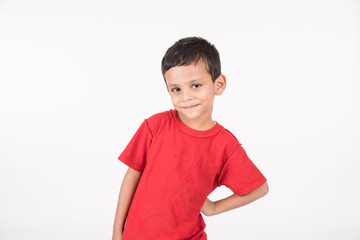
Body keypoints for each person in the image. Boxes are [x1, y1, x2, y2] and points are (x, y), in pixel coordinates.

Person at [112, 37, 269, 240]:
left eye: (195, 85)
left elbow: (258, 188)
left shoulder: (225, 146)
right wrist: (117, 232)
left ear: (218, 84)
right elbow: (131, 177)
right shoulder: (155, 126)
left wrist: (213, 207)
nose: (185, 97)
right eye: (176, 89)